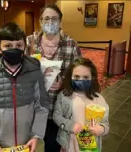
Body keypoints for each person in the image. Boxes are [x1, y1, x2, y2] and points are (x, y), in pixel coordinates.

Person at [0, 22, 49, 152]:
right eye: (8, 46)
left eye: (19, 45)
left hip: (29, 141)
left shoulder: (35, 73)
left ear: (24, 46)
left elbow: (42, 106)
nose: (14, 49)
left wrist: (36, 135)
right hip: (1, 143)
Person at [25, 4, 82, 152]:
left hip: (57, 110)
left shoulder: (71, 44)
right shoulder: (29, 42)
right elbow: (18, 70)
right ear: (40, 21)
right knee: (27, 146)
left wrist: (64, 82)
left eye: (54, 19)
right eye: (46, 19)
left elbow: (80, 76)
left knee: (52, 147)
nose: (50, 22)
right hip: (33, 107)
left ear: (61, 22)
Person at [53, 58, 109, 152]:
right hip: (69, 143)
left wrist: (101, 129)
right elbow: (56, 116)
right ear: (70, 77)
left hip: (90, 145)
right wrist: (70, 125)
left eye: (86, 77)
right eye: (77, 76)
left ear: (93, 77)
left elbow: (106, 123)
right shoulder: (63, 96)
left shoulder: (99, 99)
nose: (81, 80)